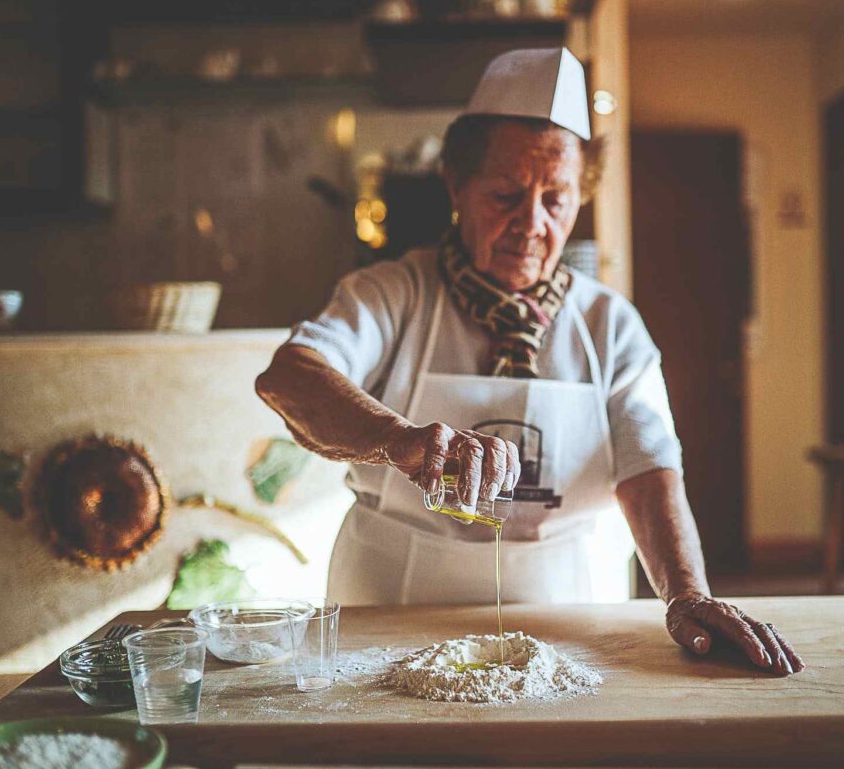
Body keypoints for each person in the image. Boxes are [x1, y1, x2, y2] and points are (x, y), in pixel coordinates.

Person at [257, 48, 802, 674]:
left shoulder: (609, 322)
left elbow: (649, 466)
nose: (532, 223)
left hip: (574, 621)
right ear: (457, 186)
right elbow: (291, 376)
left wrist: (686, 592)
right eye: (506, 195)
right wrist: (396, 439)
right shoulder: (393, 293)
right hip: (389, 611)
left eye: (556, 198)